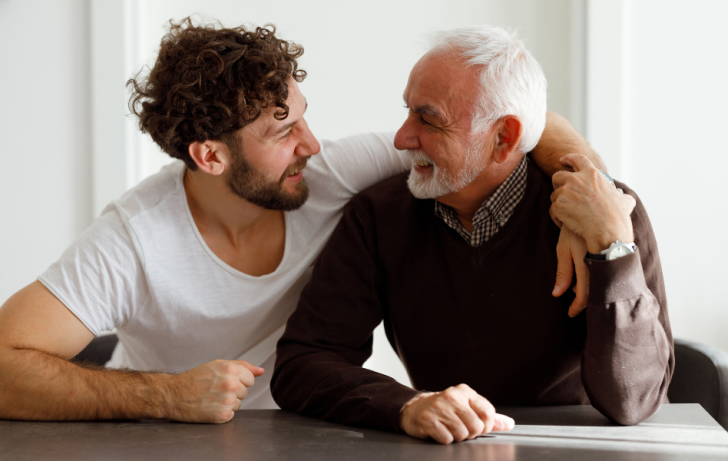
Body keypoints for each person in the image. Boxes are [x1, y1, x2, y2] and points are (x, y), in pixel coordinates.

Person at [0, 20, 605, 423]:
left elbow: (515, 123)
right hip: (175, 443)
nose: (313, 144)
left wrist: (585, 195)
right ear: (210, 156)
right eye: (282, 130)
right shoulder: (133, 240)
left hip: (314, 430)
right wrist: (166, 397)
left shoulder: (329, 173)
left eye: (302, 114)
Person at [271, 26, 673, 444]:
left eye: (428, 119)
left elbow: (633, 402)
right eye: (407, 111)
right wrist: (405, 405)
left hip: (574, 449)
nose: (401, 138)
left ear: (504, 137)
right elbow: (303, 362)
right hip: (443, 449)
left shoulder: (608, 214)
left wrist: (612, 250)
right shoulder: (378, 216)